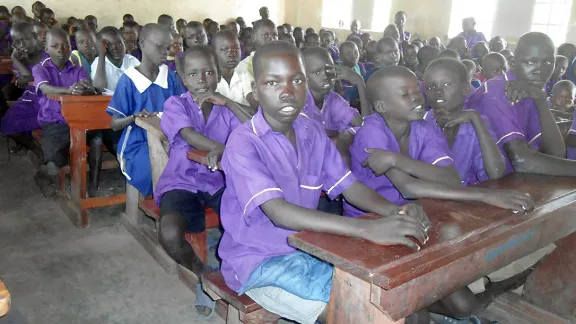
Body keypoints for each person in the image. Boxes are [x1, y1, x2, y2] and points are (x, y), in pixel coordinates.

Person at [218, 41, 431, 324]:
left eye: (297, 80)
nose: (287, 91)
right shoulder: (244, 142)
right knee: (360, 314)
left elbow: (350, 187)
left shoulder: (311, 131)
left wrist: (397, 212)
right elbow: (279, 212)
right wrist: (366, 228)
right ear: (255, 91)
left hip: (311, 249)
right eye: (272, 82)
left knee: (399, 302)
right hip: (259, 262)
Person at [345, 65, 532, 218]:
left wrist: (396, 159)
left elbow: (452, 178)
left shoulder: (424, 127)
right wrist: (485, 195)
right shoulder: (372, 131)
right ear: (381, 106)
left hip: (413, 211)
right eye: (405, 94)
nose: (416, 97)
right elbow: (408, 188)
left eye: (417, 91)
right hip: (371, 216)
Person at [155, 45, 249, 319]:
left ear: (218, 75)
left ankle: (234, 274)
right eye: (193, 74)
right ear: (183, 78)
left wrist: (229, 102)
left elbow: (256, 127)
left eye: (208, 72)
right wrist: (221, 147)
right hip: (181, 182)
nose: (202, 79)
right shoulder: (176, 104)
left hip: (219, 182)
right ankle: (203, 275)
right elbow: (190, 135)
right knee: (170, 233)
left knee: (245, 221)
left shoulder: (225, 108)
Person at [467, 32, 576, 176]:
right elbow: (521, 160)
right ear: (513, 62)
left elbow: (556, 153)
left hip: (512, 181)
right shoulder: (496, 92)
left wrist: (542, 101)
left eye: (548, 62)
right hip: (478, 185)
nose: (540, 70)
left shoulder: (530, 88)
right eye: (530, 62)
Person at [106, 24, 185, 196]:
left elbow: (184, 110)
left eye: (167, 48)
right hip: (136, 144)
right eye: (159, 47)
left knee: (188, 163)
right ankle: (167, 208)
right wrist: (134, 117)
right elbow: (114, 124)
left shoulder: (170, 77)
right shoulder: (129, 80)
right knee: (158, 167)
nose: (165, 52)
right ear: (142, 43)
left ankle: (177, 207)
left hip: (170, 139)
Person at [31, 27, 100, 197]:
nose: (61, 50)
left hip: (80, 121)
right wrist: (70, 90)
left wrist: (86, 89)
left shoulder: (78, 70)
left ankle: (90, 185)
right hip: (54, 122)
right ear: (46, 48)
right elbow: (46, 88)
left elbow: (86, 85)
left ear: (71, 47)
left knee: (97, 139)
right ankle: (44, 174)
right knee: (55, 161)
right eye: (55, 46)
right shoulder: (40, 69)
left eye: (66, 45)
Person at [424, 57, 505, 186]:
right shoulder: (420, 125)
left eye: (447, 84)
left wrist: (475, 118)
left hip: (468, 200)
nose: (438, 91)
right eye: (430, 87)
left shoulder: (476, 124)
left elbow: (496, 173)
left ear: (465, 89)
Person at [1, 22, 46, 157]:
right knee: (5, 123)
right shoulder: (22, 58)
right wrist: (15, 58)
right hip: (28, 100)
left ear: (34, 36)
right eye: (17, 42)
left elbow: (33, 77)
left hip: (45, 101)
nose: (21, 45)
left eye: (24, 40)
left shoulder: (46, 56)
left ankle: (32, 145)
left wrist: (20, 65)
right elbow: (26, 76)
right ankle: (32, 147)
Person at [303, 47, 368, 135]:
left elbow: (366, 126)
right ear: (303, 76)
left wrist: (360, 82)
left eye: (329, 69)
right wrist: (340, 135)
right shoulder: (300, 104)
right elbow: (312, 136)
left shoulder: (332, 99)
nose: (326, 76)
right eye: (317, 72)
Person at [234, 19, 278, 108]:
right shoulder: (245, 67)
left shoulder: (279, 63)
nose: (272, 39)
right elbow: (255, 103)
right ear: (254, 38)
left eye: (275, 35)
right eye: (266, 35)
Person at [212, 30, 255, 113]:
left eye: (236, 49)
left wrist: (226, 102)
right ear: (213, 53)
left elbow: (255, 110)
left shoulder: (243, 73)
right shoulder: (209, 78)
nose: (232, 54)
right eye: (225, 49)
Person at [91, 26, 140, 93]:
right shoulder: (98, 63)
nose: (115, 48)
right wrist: (102, 54)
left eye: (119, 43)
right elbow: (99, 89)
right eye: (109, 45)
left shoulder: (132, 61)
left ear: (124, 43)